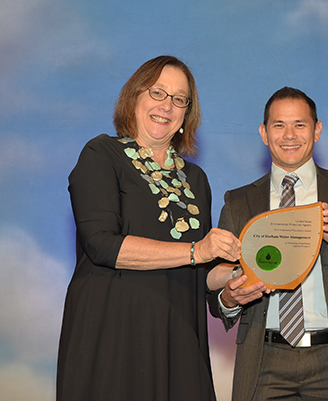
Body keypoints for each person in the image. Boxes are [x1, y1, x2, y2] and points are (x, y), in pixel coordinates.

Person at [56, 55, 241, 401]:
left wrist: (238, 278)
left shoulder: (195, 179)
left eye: (179, 99)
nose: (166, 106)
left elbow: (201, 273)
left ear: (187, 115)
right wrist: (197, 250)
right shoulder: (101, 154)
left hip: (179, 337)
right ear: (134, 98)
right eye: (157, 93)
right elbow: (102, 245)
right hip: (111, 333)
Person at [207, 87, 328, 401]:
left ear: (317, 130)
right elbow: (217, 293)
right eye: (278, 125)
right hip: (264, 361)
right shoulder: (238, 203)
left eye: (300, 124)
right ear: (264, 133)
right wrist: (228, 297)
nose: (289, 135)